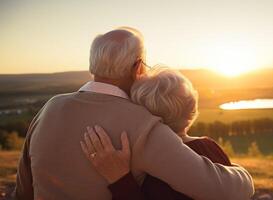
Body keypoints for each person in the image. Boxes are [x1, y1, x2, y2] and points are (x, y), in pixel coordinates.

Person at [14, 27, 254, 200]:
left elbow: (24, 191)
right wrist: (243, 174)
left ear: (92, 66)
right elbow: (220, 190)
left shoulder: (50, 108)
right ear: (138, 67)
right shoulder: (142, 124)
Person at [80, 68, 244, 200]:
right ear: (192, 110)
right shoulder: (209, 147)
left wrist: (120, 180)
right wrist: (240, 172)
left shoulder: (146, 164)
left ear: (139, 114)